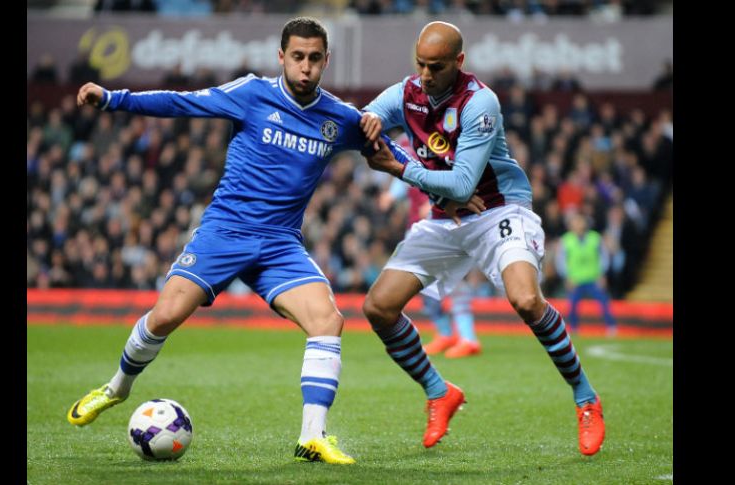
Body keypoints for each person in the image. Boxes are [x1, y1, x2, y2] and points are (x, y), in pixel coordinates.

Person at [66, 17, 413, 465]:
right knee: (165, 315)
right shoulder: (251, 94)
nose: (305, 68)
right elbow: (180, 102)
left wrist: (445, 187)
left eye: (314, 59)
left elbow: (391, 153)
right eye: (297, 57)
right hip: (225, 231)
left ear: (326, 60)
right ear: (281, 57)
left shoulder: (341, 118)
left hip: (280, 243)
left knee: (327, 322)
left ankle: (312, 436)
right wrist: (113, 99)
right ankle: (115, 389)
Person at [359, 21, 605, 455]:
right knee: (378, 307)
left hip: (498, 209)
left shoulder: (480, 102)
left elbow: (462, 184)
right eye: (420, 64)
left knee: (527, 300)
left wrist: (399, 168)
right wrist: (374, 131)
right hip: (444, 217)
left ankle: (586, 399)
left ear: (459, 62)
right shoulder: (406, 92)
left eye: (436, 66)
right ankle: (439, 391)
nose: (426, 74)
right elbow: (366, 124)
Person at [382, 134, 482, 358]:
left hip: (444, 222)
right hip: (417, 228)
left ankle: (468, 338)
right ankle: (446, 333)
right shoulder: (404, 142)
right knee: (422, 285)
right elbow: (402, 174)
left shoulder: (442, 136)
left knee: (452, 282)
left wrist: (438, 202)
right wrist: (391, 195)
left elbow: (459, 173)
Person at [556, 212, 617, 336]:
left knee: (604, 302)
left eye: (580, 221)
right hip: (575, 279)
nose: (578, 224)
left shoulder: (595, 238)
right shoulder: (566, 240)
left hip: (593, 278)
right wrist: (566, 277)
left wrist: (602, 274)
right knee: (572, 306)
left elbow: (603, 257)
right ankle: (574, 329)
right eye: (575, 222)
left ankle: (611, 327)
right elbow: (560, 260)